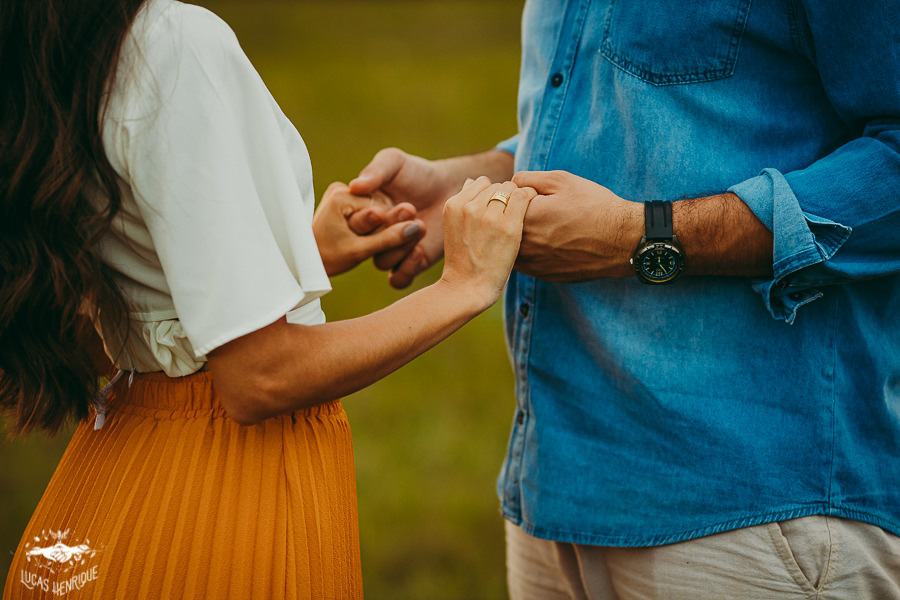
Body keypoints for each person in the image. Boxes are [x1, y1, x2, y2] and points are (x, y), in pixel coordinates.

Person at [346, 1, 900, 598]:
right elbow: (633, 112)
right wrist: (478, 186)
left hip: (751, 511)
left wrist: (641, 236)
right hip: (554, 494)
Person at [0, 0, 533, 598]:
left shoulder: (51, 48)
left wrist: (286, 258)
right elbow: (260, 376)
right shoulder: (170, 45)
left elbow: (119, 318)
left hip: (110, 487)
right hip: (224, 504)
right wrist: (464, 286)